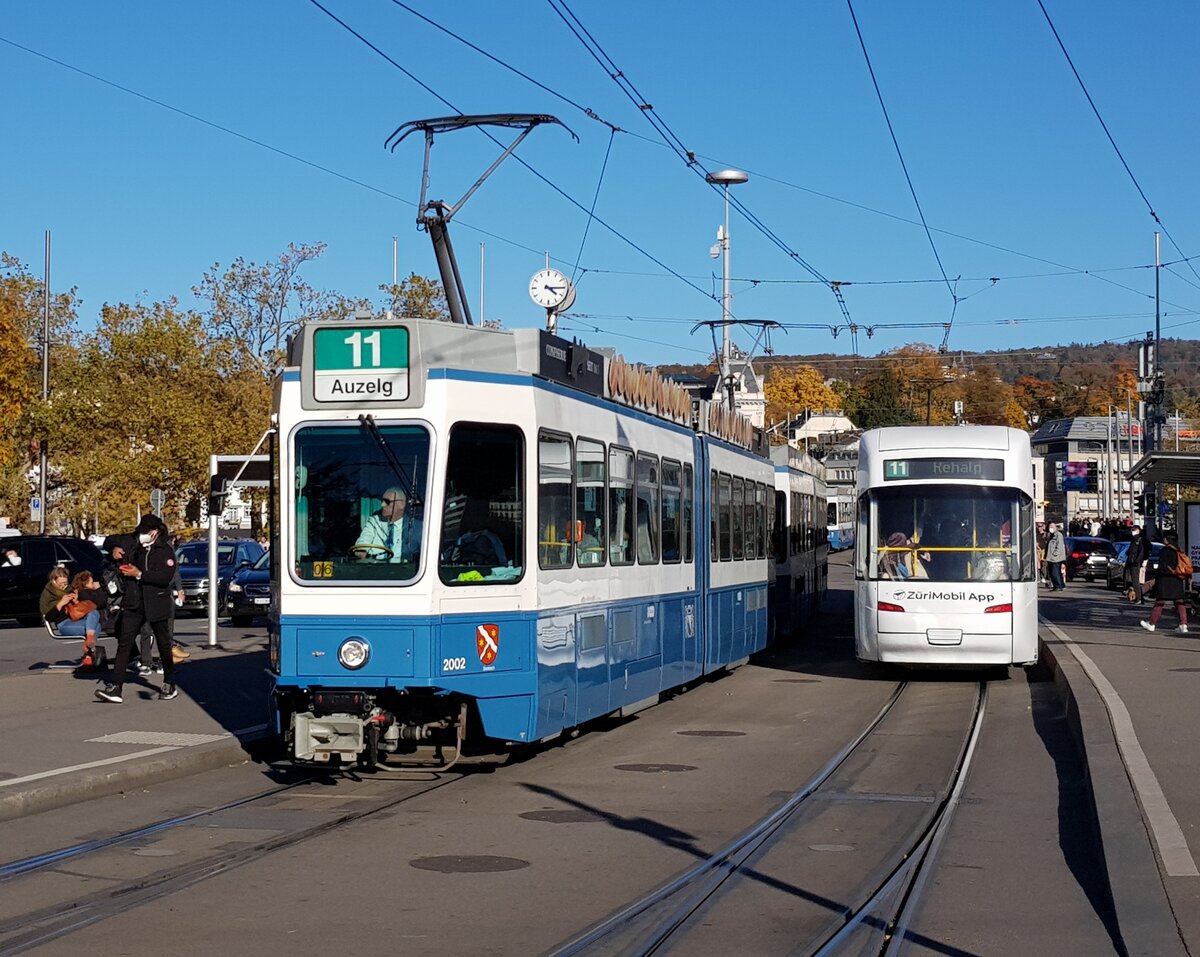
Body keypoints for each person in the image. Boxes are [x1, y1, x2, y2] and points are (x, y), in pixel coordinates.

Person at [95, 515, 182, 704]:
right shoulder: (133, 542)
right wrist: (113, 550)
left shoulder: (164, 551)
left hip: (157, 602)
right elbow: (110, 540)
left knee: (164, 644)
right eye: (140, 531)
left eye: (145, 532)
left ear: (155, 532)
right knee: (125, 643)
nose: (141, 535)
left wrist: (140, 574)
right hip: (134, 601)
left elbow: (164, 577)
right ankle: (115, 687)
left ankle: (169, 682)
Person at [40, 566, 102, 666]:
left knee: (94, 613)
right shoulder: (48, 594)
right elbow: (48, 617)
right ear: (54, 581)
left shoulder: (69, 590)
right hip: (63, 624)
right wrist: (61, 603)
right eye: (61, 584)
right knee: (96, 626)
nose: (64, 586)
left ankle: (88, 646)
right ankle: (88, 653)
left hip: (75, 619)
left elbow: (78, 610)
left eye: (65, 583)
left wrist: (76, 600)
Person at [353, 487, 421, 563]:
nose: (382, 505)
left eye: (387, 501)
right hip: (374, 570)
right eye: (382, 500)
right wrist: (361, 550)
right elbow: (362, 543)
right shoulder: (374, 521)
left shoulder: (417, 527)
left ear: (401, 504)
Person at [1141, 532, 1189, 634]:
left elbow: (1163, 567)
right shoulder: (1179, 551)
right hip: (1177, 579)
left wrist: (1156, 576)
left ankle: (1151, 623)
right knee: (1179, 603)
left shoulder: (1165, 551)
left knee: (1159, 602)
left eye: (1165, 538)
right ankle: (1183, 625)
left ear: (1167, 539)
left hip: (1165, 580)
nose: (1163, 539)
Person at [1124, 524, 1150, 604]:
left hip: (1135, 563)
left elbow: (1141, 552)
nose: (1132, 532)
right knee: (1133, 581)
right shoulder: (1134, 540)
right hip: (1131, 562)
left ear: (1138, 530)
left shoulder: (1140, 540)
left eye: (1134, 530)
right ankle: (1139, 598)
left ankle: (1138, 599)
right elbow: (1131, 551)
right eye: (1132, 530)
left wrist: (1137, 561)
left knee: (1136, 582)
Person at [1045, 524, 1066, 591]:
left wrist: (1055, 553)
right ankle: (1060, 585)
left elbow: (1059, 546)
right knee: (1054, 572)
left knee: (1055, 572)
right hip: (1051, 557)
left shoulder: (1058, 535)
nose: (1050, 528)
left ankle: (1058, 586)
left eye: (1052, 527)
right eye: (1049, 527)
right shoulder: (1051, 535)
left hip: (1056, 558)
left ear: (1055, 528)